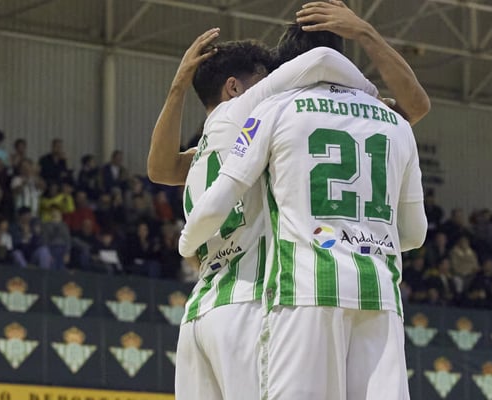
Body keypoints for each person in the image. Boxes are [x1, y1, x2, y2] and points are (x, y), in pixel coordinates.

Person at [178, 20, 428, 400]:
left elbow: (218, 196)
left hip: (303, 288)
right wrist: (362, 241)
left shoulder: (272, 108)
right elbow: (414, 234)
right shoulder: (396, 122)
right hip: (380, 294)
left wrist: (185, 243)